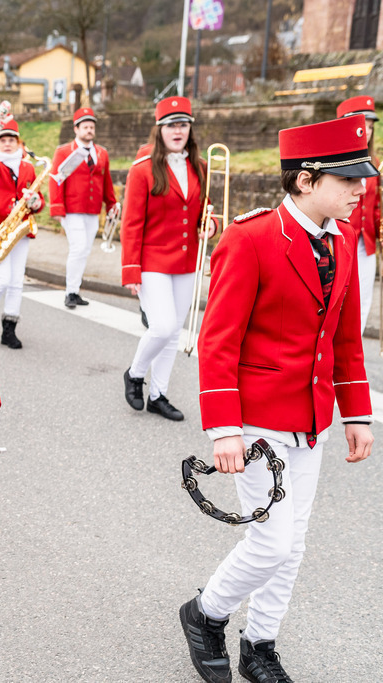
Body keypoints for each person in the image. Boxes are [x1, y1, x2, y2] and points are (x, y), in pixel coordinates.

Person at [181, 115, 376, 683]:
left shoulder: (340, 242)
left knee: (293, 545)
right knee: (270, 544)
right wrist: (225, 429)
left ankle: (260, 643)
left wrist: (356, 414)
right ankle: (205, 613)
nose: (360, 189)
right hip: (258, 417)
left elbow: (345, 339)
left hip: (310, 419)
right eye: (348, 179)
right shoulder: (251, 237)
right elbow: (219, 339)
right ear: (305, 180)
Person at [120, 97, 211, 421]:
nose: (178, 130)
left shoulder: (200, 166)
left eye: (183, 124)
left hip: (186, 261)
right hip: (152, 260)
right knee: (163, 326)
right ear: (159, 130)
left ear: (190, 129)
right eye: (171, 125)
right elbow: (131, 223)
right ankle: (135, 373)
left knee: (174, 334)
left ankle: (158, 394)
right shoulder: (142, 169)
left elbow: (204, 211)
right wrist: (130, 269)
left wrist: (210, 224)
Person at [0, 103, 44, 349]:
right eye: (2, 139)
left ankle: (9, 329)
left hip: (20, 228)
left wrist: (36, 202)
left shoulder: (27, 166)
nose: (7, 143)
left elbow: (39, 198)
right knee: (2, 279)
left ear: (18, 142)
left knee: (16, 282)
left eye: (11, 139)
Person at [49, 107, 119, 309]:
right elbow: (56, 180)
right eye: (85, 127)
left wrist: (111, 204)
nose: (89, 130)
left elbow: (106, 180)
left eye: (92, 127)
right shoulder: (64, 151)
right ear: (76, 129)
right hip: (72, 209)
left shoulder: (101, 153)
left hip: (92, 210)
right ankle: (70, 292)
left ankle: (76, 290)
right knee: (78, 249)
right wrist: (57, 208)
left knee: (85, 250)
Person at [336, 96, 380, 334]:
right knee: (339, 300)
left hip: (366, 245)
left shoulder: (375, 166)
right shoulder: (335, 163)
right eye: (364, 125)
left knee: (362, 302)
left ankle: (355, 358)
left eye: (372, 127)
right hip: (340, 241)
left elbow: (374, 207)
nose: (368, 131)